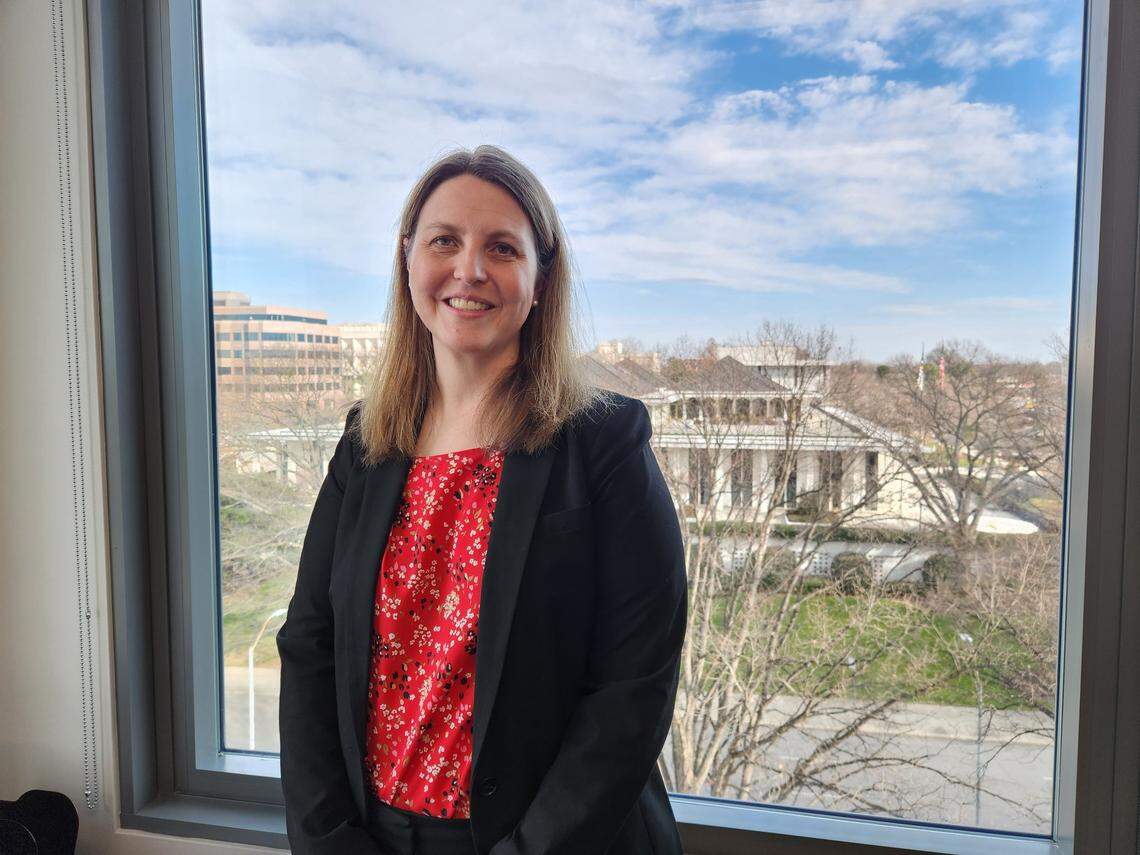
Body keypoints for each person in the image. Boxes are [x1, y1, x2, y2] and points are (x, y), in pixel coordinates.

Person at [276, 144, 688, 855]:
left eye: (501, 247)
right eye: (444, 241)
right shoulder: (365, 447)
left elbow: (632, 690)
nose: (469, 269)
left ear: (540, 279)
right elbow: (310, 647)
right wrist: (330, 841)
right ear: (408, 260)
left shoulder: (605, 445)